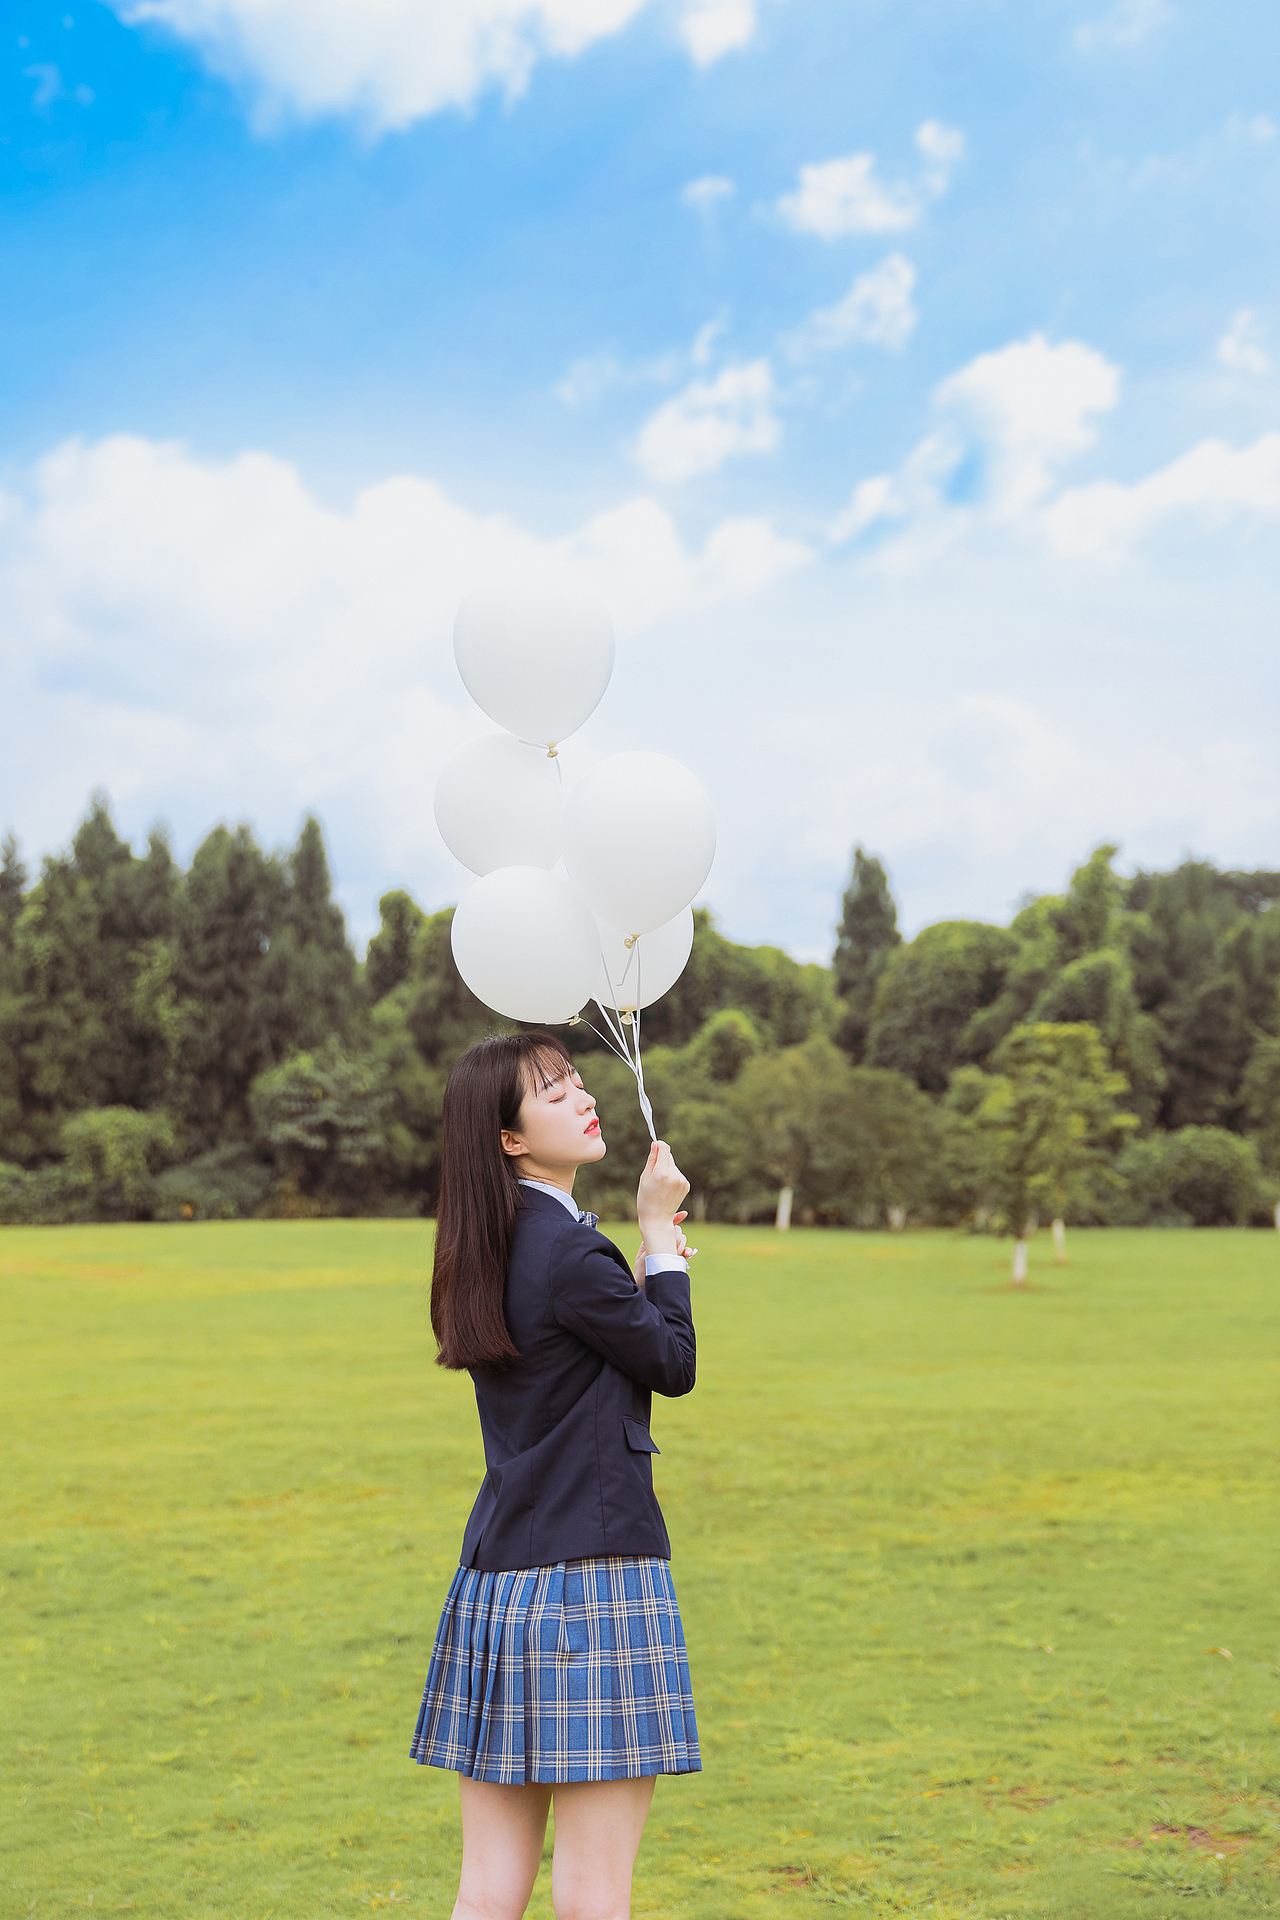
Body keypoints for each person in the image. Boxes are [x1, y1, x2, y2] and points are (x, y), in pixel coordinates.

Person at [411, 1030, 699, 1920]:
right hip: (593, 1580)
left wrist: (646, 1261)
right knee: (592, 1895)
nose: (582, 1095)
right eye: (553, 1091)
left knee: (488, 1890)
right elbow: (672, 1361)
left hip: (500, 1583)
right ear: (509, 1138)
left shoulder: (486, 1244)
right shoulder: (571, 1253)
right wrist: (659, 1242)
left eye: (576, 1078)